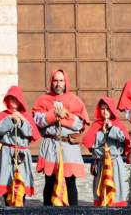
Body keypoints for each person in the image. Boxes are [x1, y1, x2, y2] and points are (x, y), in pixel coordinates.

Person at [32, 69, 88, 206]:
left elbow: (79, 124)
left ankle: (74, 212)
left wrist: (65, 115)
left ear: (65, 82)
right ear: (51, 82)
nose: (58, 84)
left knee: (70, 181)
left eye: (61, 80)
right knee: (50, 181)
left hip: (68, 145)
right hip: (50, 144)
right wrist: (53, 114)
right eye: (55, 80)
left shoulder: (75, 100)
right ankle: (48, 211)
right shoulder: (42, 100)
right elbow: (38, 121)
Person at [0, 86, 40, 207]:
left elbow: (32, 133)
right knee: (7, 184)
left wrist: (22, 121)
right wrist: (10, 120)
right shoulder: (1, 115)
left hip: (22, 153)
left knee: (21, 184)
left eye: (16, 98)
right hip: (7, 153)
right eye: (11, 98)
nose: (13, 101)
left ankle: (20, 208)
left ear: (20, 100)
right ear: (7, 99)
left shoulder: (26, 116)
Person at [82, 97, 131, 207]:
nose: (105, 112)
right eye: (102, 109)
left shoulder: (117, 124)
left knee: (117, 187)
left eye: (107, 109)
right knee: (101, 188)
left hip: (115, 163)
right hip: (101, 163)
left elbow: (124, 138)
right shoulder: (96, 126)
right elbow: (92, 145)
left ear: (112, 110)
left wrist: (111, 128)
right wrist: (102, 135)